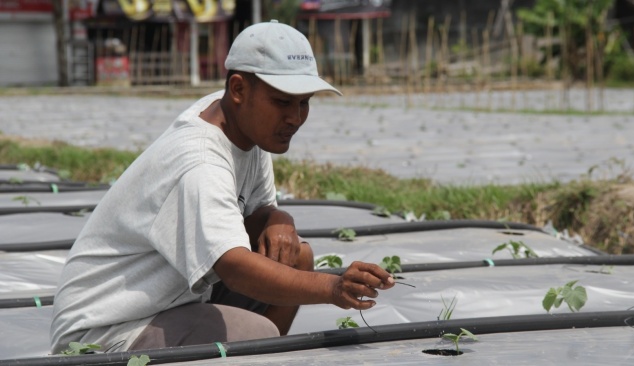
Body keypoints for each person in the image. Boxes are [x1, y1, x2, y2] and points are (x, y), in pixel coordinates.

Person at [50, 20, 395, 354]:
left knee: (296, 256)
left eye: (303, 102)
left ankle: (261, 353)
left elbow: (257, 213)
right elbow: (233, 266)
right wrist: (333, 286)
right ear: (239, 89)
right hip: (108, 328)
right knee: (258, 334)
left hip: (173, 297)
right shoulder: (200, 160)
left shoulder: (241, 123)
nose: (294, 117)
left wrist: (280, 219)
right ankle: (261, 353)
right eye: (282, 102)